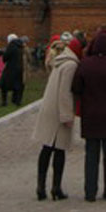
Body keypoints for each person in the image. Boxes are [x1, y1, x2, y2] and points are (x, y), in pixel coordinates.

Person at [71, 29, 106, 202]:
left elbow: (76, 87)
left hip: (91, 113)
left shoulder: (85, 63)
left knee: (91, 155)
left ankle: (90, 192)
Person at [32, 39, 79, 200]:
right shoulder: (71, 65)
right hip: (59, 110)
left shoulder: (59, 62)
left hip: (49, 107)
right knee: (59, 149)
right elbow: (65, 92)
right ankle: (55, 187)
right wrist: (67, 115)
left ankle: (41, 186)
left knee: (46, 148)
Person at [0, 33, 25, 106]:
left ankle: (4, 102)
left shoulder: (11, 46)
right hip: (20, 68)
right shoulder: (21, 46)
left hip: (10, 68)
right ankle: (17, 101)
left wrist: (4, 56)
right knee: (18, 85)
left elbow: (5, 57)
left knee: (4, 85)